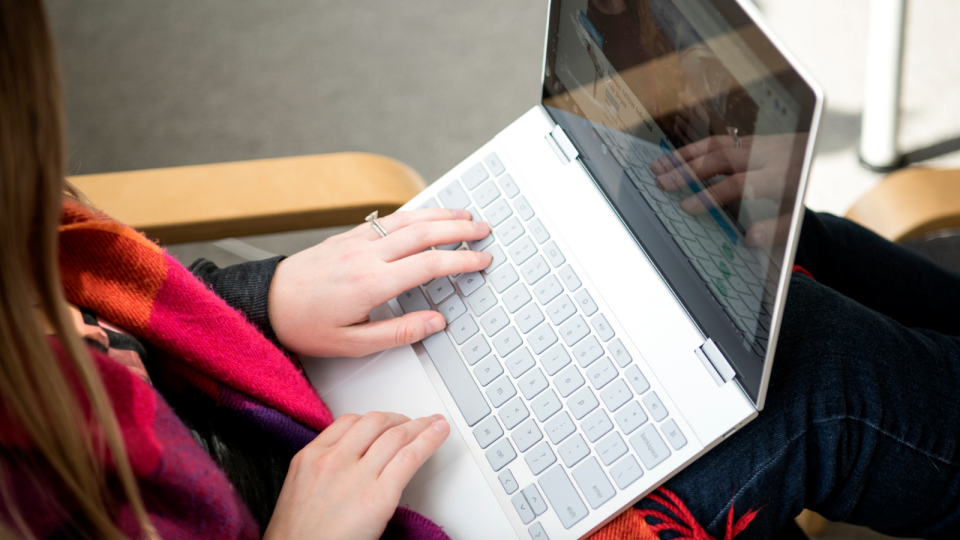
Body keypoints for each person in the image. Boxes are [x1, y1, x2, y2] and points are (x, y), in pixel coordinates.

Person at [6, 2, 960, 540]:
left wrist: (267, 297)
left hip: (282, 407)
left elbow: (123, 316)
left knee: (743, 245)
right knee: (806, 370)